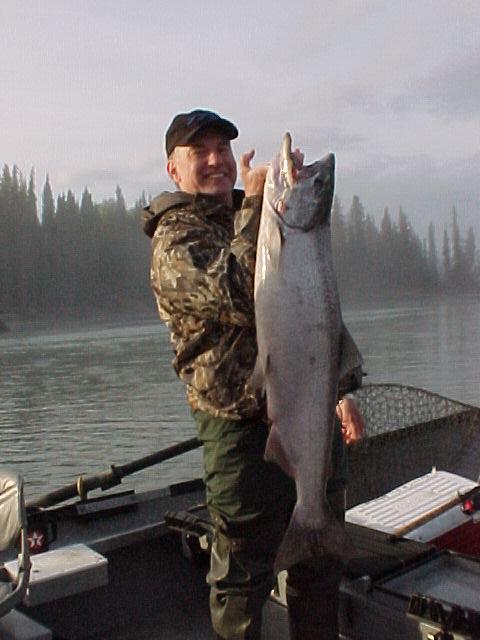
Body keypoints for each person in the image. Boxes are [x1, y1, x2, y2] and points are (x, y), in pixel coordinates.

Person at [142, 109, 365, 640]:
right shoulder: (174, 244)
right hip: (238, 436)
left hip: (310, 414)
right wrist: (257, 204)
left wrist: (341, 390)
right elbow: (249, 293)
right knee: (242, 580)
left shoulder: (262, 222)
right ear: (174, 171)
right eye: (201, 153)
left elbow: (315, 313)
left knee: (319, 572)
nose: (217, 161)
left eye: (223, 148)